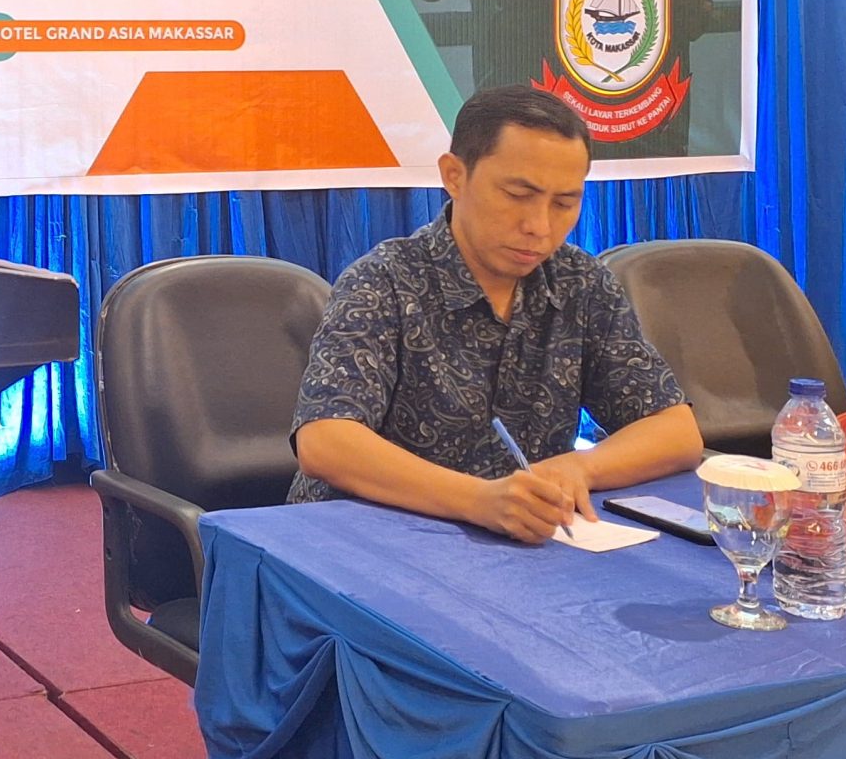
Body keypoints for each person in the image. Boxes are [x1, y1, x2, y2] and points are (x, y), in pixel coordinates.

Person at [287, 84, 701, 543]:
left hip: (518, 542)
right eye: (518, 195)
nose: (539, 226)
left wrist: (579, 467)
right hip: (365, 540)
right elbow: (325, 441)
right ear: (454, 175)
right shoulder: (385, 280)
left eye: (564, 204)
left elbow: (676, 432)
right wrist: (478, 500)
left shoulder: (581, 283)